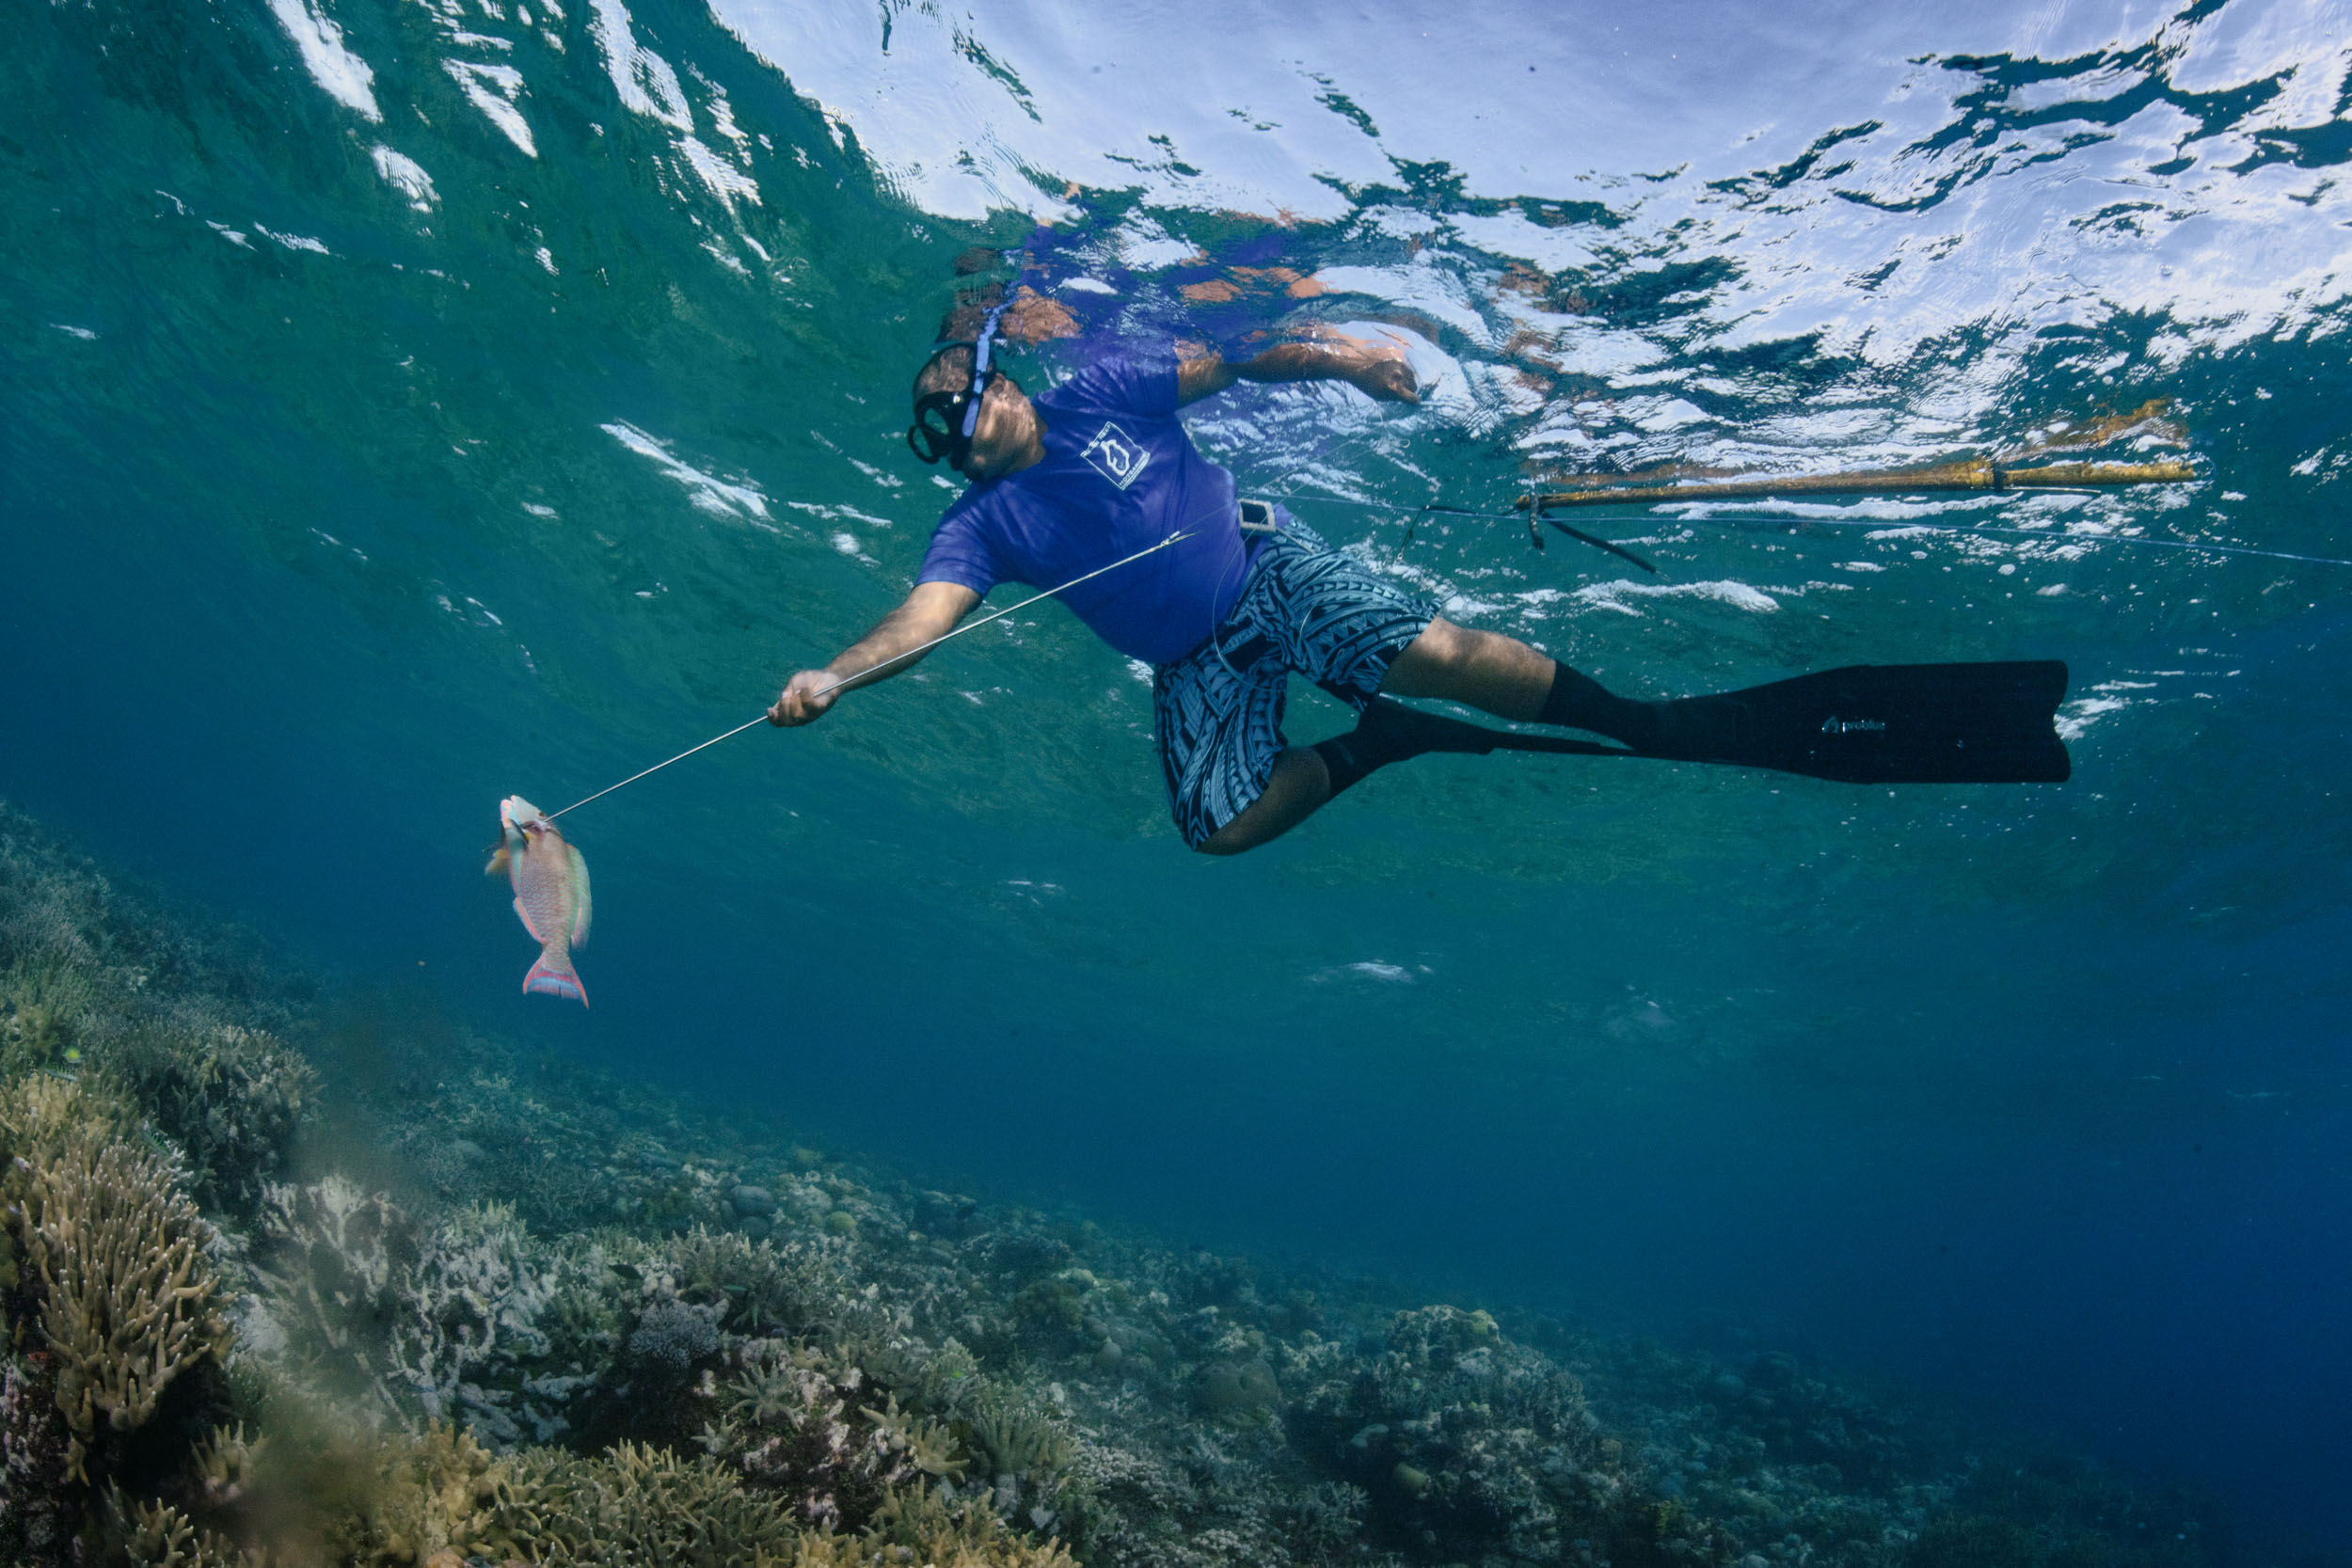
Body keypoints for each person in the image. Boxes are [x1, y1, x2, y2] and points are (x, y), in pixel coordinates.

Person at [769, 311, 2070, 852]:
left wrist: (1335, 358)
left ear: (1003, 369)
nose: (970, 410)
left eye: (975, 383)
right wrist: (837, 673)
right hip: (1193, 664)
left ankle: (1638, 719)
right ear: (943, 444)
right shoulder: (976, 526)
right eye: (948, 414)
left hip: (1266, 571)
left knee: (1435, 649)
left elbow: (1235, 359)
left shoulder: (1096, 380)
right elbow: (922, 620)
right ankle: (1381, 749)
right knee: (1218, 830)